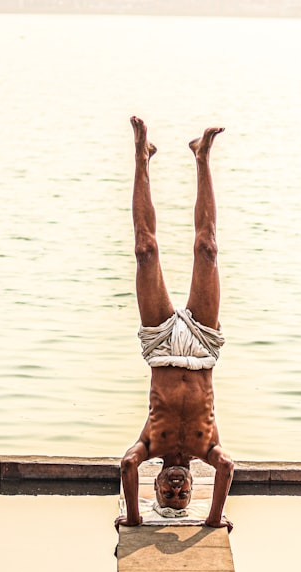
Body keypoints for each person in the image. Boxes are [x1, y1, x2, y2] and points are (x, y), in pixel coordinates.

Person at [115, 116, 234, 531]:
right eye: (184, 495)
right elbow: (229, 468)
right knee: (208, 249)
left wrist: (133, 518)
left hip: (162, 349)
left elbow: (127, 464)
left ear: (157, 484)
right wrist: (212, 520)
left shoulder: (149, 446)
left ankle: (141, 157)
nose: (177, 490)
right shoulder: (209, 449)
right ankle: (201, 157)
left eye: (169, 493)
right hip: (202, 346)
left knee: (145, 250)